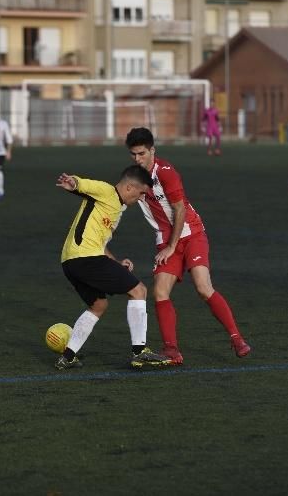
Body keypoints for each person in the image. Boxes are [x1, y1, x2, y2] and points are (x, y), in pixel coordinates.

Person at [125, 127, 251, 365]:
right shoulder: (133, 177)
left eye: (141, 153)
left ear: (152, 150)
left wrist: (172, 246)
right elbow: (117, 197)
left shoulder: (166, 172)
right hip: (165, 239)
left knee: (203, 288)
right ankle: (172, 350)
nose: (137, 159)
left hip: (191, 233)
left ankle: (237, 339)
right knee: (160, 292)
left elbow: (180, 209)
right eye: (133, 154)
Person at [55, 165, 172, 370]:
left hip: (71, 262)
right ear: (128, 188)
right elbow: (84, 185)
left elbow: (100, 244)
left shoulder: (115, 207)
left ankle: (68, 356)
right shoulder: (107, 191)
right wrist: (74, 182)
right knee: (139, 291)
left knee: (98, 305)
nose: (141, 199)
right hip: (86, 259)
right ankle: (139, 352)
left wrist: (116, 263)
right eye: (141, 193)